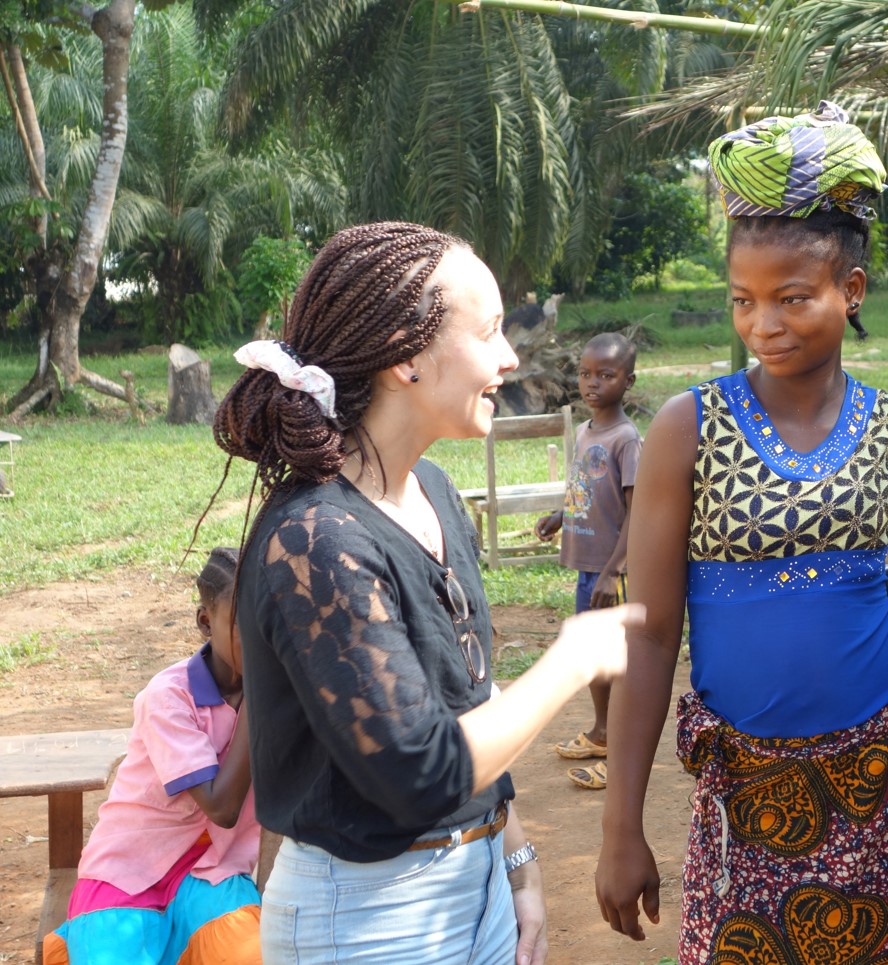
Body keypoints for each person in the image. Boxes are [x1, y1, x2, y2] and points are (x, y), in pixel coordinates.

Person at [594, 103, 888, 965]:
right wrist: (621, 823)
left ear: (849, 292)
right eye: (743, 300)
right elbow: (651, 634)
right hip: (748, 796)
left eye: (791, 297)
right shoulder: (687, 428)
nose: (762, 323)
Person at [211, 221, 639, 964]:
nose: (508, 357)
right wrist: (570, 663)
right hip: (369, 916)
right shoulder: (316, 540)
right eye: (491, 331)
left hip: (473, 882)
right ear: (406, 357)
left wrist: (514, 858)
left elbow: (465, 699)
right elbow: (422, 771)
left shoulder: (434, 492)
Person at [44, 547, 262, 965]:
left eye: (269, 618)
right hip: (128, 872)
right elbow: (221, 807)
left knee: (247, 953)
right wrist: (259, 694)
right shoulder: (169, 696)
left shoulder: (280, 692)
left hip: (213, 871)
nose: (259, 634)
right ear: (205, 622)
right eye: (241, 621)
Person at [534, 332, 642, 791]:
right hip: (588, 566)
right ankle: (600, 734)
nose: (592, 383)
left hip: (609, 570)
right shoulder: (584, 431)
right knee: (596, 660)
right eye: (585, 374)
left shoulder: (626, 438)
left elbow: (638, 511)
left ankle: (617, 757)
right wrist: (562, 515)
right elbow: (586, 487)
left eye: (606, 374)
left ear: (628, 381)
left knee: (612, 662)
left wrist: (613, 570)